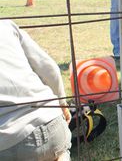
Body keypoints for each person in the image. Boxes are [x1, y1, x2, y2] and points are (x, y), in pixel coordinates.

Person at [0, 20, 71, 161]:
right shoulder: (6, 26)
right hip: (52, 122)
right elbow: (50, 69)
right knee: (61, 151)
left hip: (9, 141)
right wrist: (62, 104)